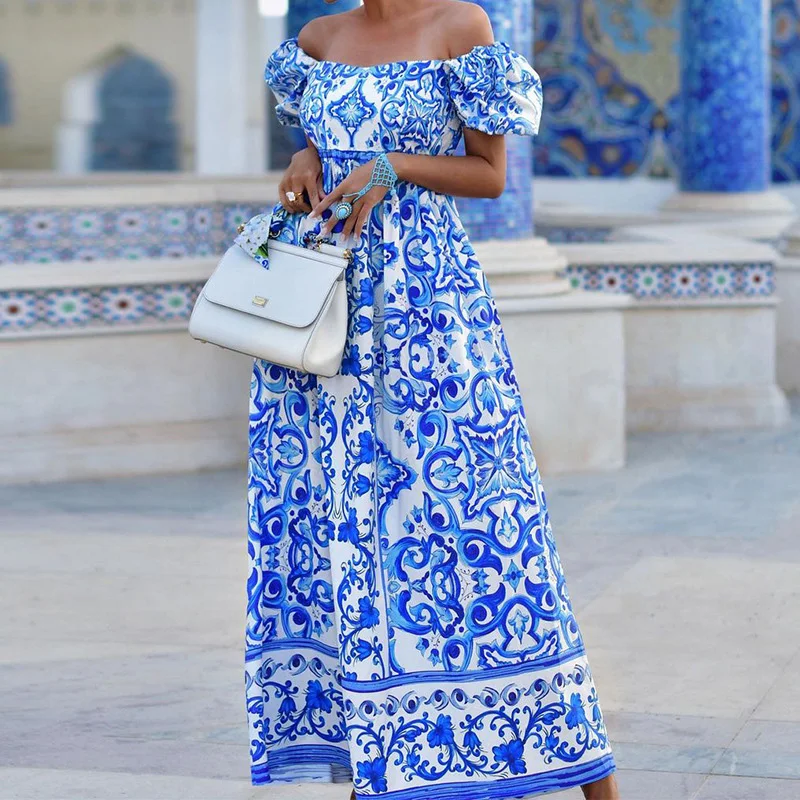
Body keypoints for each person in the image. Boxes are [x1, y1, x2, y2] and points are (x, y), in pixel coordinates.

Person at [245, 1, 620, 798]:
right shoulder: (318, 39)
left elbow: (489, 174)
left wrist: (395, 166)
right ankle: (383, 763)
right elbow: (321, 143)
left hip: (429, 315)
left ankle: (590, 772)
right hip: (328, 324)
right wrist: (306, 159)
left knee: (489, 522)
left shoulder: (463, 26)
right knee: (347, 535)